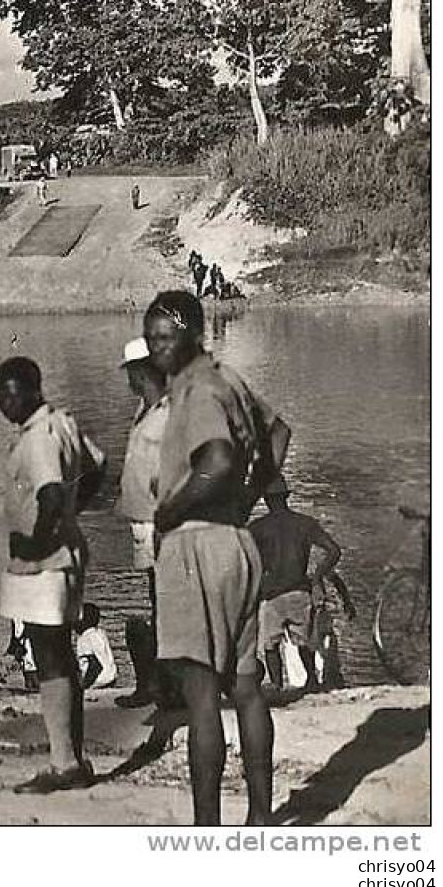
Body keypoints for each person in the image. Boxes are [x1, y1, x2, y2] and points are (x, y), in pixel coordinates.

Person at [145, 288, 291, 826]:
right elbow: (279, 431)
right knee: (247, 687)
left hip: (198, 544)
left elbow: (218, 458)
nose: (157, 347)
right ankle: (259, 816)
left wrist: (170, 510)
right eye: (152, 337)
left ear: (191, 334)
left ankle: (208, 829)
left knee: (202, 696)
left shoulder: (199, 389)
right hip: (238, 542)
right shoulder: (229, 379)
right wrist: (252, 496)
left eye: (166, 337)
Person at [0, 355, 106, 794]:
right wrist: (73, 515)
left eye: (11, 392)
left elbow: (52, 492)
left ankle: (64, 764)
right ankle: (71, 757)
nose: (4, 402)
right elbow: (98, 467)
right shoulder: (62, 423)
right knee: (57, 652)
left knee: (50, 658)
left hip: (45, 560)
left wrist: (39, 538)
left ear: (33, 389)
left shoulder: (39, 438)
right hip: (64, 553)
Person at [115, 336, 172, 709]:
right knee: (156, 599)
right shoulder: (145, 409)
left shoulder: (168, 411)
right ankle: (158, 683)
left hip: (160, 522)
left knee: (166, 600)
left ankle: (166, 684)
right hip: (143, 523)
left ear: (141, 372)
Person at [249, 480, 347, 691]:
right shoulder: (305, 523)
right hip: (299, 591)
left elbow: (245, 561)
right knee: (305, 643)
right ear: (287, 496)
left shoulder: (257, 528)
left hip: (271, 594)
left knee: (270, 645)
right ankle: (312, 681)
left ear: (266, 500)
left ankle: (277, 685)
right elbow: (334, 551)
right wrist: (318, 576)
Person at [73, 603, 119, 689]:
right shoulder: (100, 633)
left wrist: (85, 685)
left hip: (98, 680)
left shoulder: (86, 638)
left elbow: (94, 664)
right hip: (110, 676)